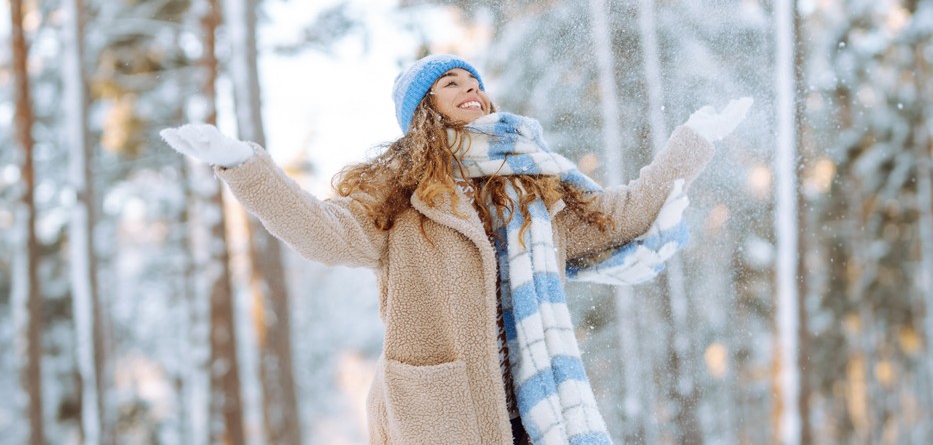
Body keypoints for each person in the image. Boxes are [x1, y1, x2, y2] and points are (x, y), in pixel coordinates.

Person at [161, 54, 752, 445]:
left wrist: (693, 142)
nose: (471, 89)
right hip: (444, 410)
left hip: (535, 407)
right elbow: (319, 230)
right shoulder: (400, 196)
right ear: (425, 108)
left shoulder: (530, 193)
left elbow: (620, 214)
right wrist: (243, 166)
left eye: (474, 82)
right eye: (451, 84)